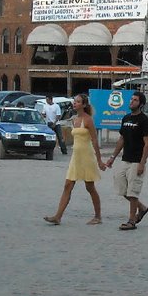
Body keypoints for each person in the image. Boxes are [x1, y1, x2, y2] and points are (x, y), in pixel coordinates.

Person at [44, 93, 106, 226]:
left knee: (90, 187)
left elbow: (94, 140)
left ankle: (98, 216)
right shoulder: (74, 119)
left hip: (87, 156)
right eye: (74, 101)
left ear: (83, 105)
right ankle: (58, 216)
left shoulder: (88, 119)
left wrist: (99, 160)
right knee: (67, 185)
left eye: (78, 102)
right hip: (75, 157)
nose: (75, 103)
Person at [105, 91, 148, 230]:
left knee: (133, 192)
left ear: (141, 104)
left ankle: (132, 221)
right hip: (125, 159)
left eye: (135, 100)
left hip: (137, 160)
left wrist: (142, 163)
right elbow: (122, 139)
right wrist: (112, 158)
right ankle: (142, 208)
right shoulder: (125, 118)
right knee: (122, 188)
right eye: (131, 99)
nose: (132, 101)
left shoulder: (144, 120)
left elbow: (147, 143)